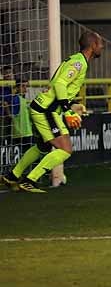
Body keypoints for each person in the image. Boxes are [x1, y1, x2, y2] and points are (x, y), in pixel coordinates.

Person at [2, 32, 103, 193]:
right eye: (100, 44)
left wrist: (73, 105)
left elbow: (60, 86)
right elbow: (61, 84)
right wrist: (67, 111)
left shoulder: (78, 60)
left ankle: (12, 176)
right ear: (93, 45)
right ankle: (30, 181)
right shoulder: (78, 63)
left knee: (43, 146)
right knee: (65, 149)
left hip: (44, 107)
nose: (102, 47)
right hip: (46, 110)